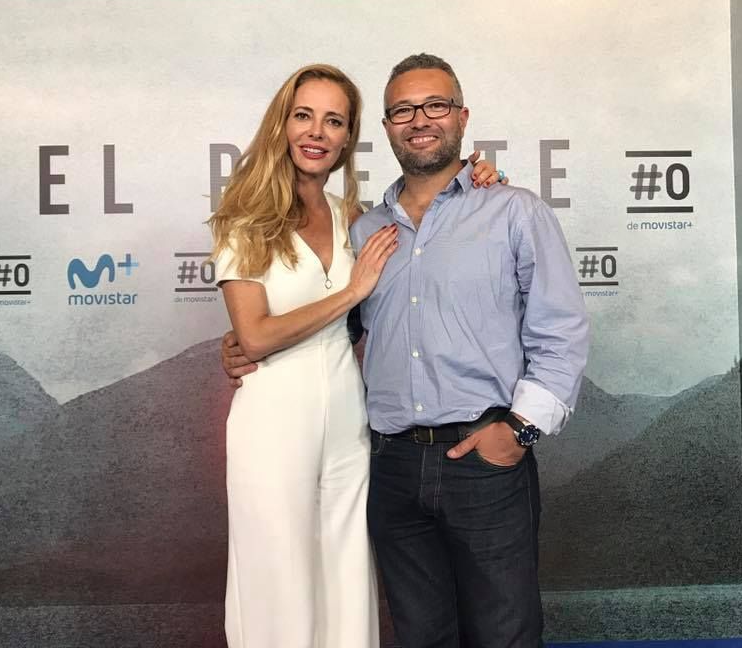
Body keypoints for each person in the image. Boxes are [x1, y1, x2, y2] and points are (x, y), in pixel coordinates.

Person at [223, 54, 589, 648]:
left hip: (483, 458)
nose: (420, 120)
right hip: (389, 465)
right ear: (387, 128)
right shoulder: (364, 230)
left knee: (505, 634)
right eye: (403, 110)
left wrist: (518, 430)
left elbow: (562, 333)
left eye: (435, 105)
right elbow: (337, 327)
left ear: (462, 117)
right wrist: (243, 340)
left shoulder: (514, 211)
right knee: (420, 636)